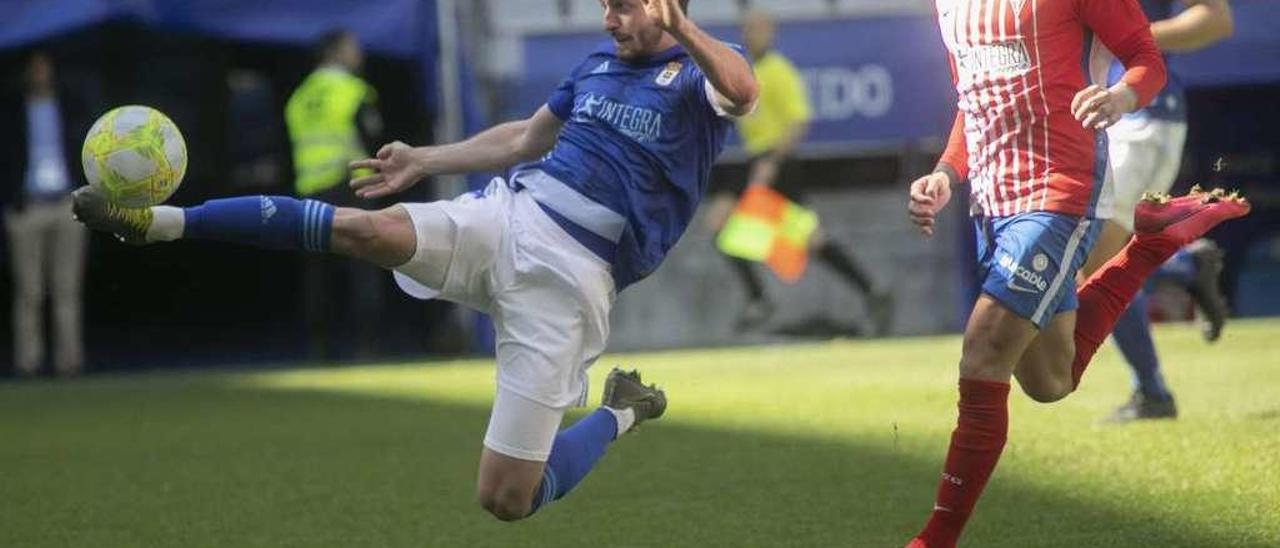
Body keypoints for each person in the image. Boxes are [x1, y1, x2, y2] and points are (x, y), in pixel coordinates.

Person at [73, 0, 757, 522]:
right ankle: (161, 222)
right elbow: (524, 137)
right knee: (365, 231)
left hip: (575, 279)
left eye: (623, 6)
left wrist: (688, 33)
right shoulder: (595, 68)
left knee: (507, 499)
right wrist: (425, 158)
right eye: (603, 5)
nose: (608, 19)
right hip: (510, 217)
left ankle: (620, 412)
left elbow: (743, 91)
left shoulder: (695, 78)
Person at [903, 1, 1249, 546]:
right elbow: (973, 100)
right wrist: (947, 173)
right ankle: (1151, 248)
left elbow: (1146, 58)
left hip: (1060, 188)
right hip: (992, 201)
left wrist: (1119, 97)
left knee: (985, 349)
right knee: (1048, 381)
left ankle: (934, 538)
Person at [1090, 0, 1235, 423]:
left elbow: (1216, 18)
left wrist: (1132, 37)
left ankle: (1152, 393)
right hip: (1123, 116)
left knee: (1097, 269)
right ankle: (1187, 269)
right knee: (1095, 266)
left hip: (1139, 117)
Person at [705, 9, 891, 333]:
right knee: (717, 223)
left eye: (758, 28)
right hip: (754, 160)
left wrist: (773, 163)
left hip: (777, 163)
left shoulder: (779, 71)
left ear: (770, 33)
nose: (752, 34)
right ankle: (759, 298)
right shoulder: (746, 71)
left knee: (811, 240)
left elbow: (798, 122)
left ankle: (872, 291)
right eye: (747, 29)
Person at [285, 29, 385, 360]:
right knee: (364, 266)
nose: (359, 53)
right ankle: (367, 346)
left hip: (310, 189)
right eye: (353, 47)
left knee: (317, 274)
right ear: (335, 52)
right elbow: (374, 140)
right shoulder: (352, 90)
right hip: (350, 185)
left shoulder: (299, 97)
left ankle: (318, 347)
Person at [1, 51, 92, 378]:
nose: (40, 74)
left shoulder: (69, 107)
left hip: (65, 204)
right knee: (29, 291)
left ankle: (70, 362)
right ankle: (29, 363)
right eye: (34, 69)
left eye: (45, 68)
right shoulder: (11, 112)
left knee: (67, 288)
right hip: (27, 206)